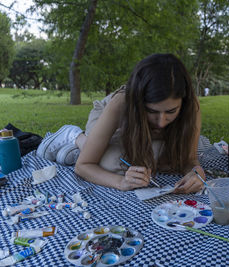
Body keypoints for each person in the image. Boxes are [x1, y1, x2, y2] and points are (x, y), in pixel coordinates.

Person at [36, 54, 205, 194]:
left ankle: (89, 147)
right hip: (110, 117)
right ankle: (76, 137)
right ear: (139, 103)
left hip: (143, 134)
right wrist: (122, 182)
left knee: (166, 160)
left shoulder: (191, 107)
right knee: (112, 164)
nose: (161, 122)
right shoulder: (121, 103)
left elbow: (189, 159)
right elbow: (83, 166)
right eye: (152, 112)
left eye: (170, 112)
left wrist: (197, 173)